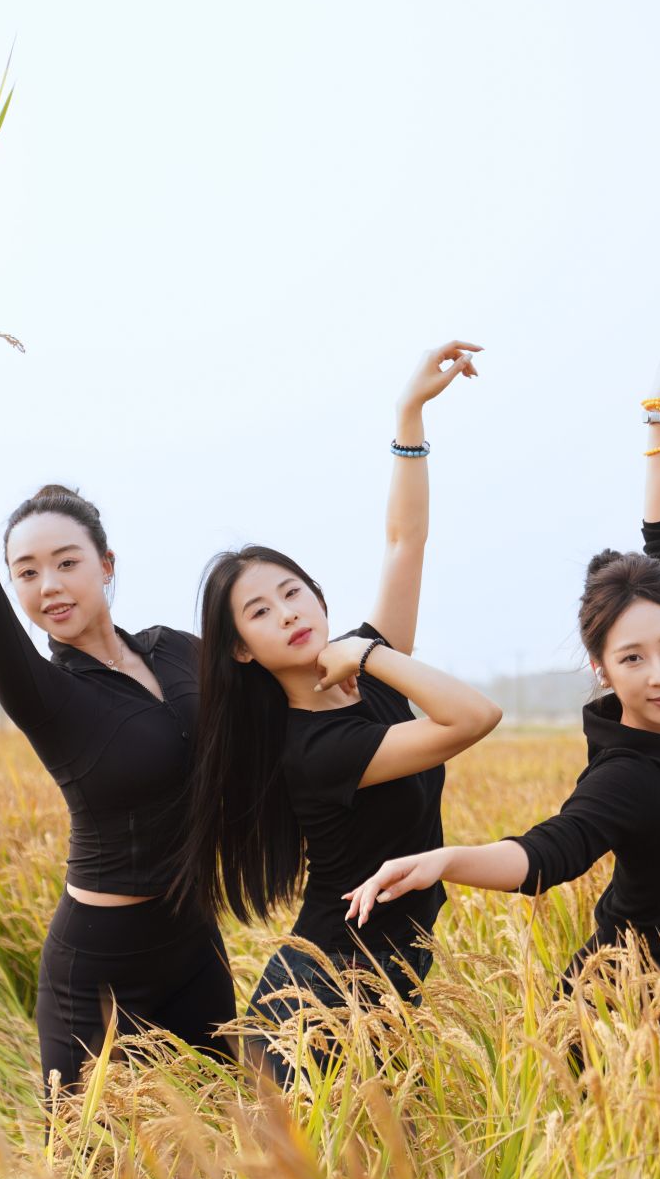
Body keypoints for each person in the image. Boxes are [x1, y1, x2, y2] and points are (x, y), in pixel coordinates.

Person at [343, 335, 660, 985]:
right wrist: (446, 860)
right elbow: (549, 852)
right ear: (603, 669)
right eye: (632, 658)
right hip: (623, 1016)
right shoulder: (626, 775)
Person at [0, 370, 234, 1101]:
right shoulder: (46, 695)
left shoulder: (178, 651)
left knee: (228, 1134)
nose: (47, 584)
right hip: (97, 971)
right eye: (27, 572)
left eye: (66, 562)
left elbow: (270, 696)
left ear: (106, 566)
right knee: (85, 1161)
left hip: (195, 947)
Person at [173, 343, 503, 1085]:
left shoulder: (365, 671)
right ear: (242, 651)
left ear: (317, 594)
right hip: (322, 1000)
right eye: (260, 611)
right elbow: (473, 716)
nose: (288, 612)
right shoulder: (315, 748)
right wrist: (372, 652)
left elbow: (405, 542)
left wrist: (408, 415)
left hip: (379, 986)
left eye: (293, 592)